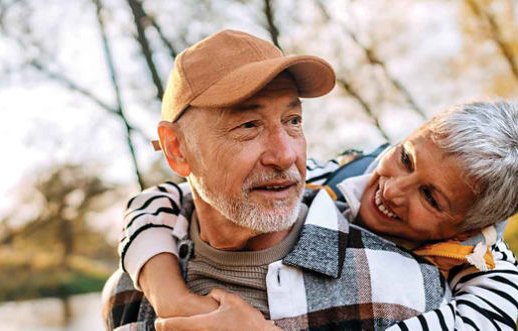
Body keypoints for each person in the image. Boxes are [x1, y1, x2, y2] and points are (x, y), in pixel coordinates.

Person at [101, 29, 453, 331]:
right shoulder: (129, 293)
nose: (285, 156)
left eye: (293, 120)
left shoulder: (403, 290)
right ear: (177, 150)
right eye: (248, 125)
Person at [119, 101, 518, 330]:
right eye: (405, 158)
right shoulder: (344, 174)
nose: (390, 187)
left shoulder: (489, 279)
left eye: (430, 197)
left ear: (468, 228)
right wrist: (170, 295)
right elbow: (158, 199)